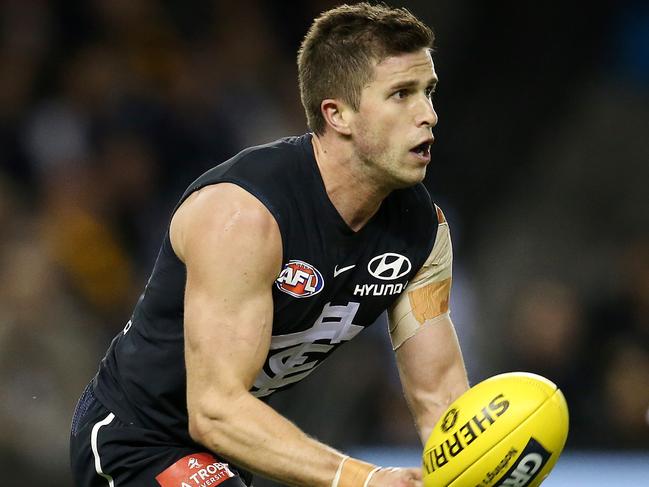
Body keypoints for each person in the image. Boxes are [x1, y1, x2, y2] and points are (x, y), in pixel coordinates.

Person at [69, 3, 469, 486]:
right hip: (137, 438)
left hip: (229, 451)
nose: (429, 115)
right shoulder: (244, 215)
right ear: (337, 114)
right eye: (401, 94)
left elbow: (439, 399)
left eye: (429, 92)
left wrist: (473, 468)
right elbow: (214, 409)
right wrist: (362, 478)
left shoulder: (423, 231)